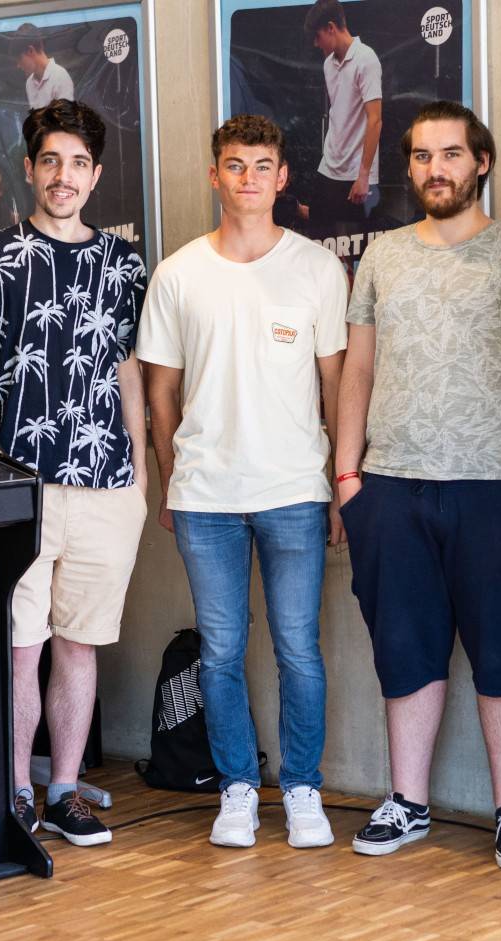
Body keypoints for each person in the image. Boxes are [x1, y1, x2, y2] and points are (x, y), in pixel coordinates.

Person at [334, 101, 501, 868]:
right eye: (423, 156)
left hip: (497, 487)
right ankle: (408, 802)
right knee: (404, 647)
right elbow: (356, 368)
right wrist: (348, 476)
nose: (437, 169)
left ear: (481, 162)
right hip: (391, 487)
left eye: (452, 154)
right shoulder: (382, 256)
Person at [138, 114, 347, 851]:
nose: (249, 179)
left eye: (263, 166)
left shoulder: (318, 269)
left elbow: (336, 385)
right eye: (235, 165)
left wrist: (337, 480)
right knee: (221, 650)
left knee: (298, 647)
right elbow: (160, 391)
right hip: (204, 496)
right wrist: (171, 478)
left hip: (294, 490)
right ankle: (236, 788)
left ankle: (302, 788)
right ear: (214, 174)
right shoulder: (178, 272)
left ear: (283, 177)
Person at [0, 99, 147, 847]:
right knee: (20, 648)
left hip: (107, 482)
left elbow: (130, 369)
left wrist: (140, 475)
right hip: (20, 484)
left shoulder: (126, 263)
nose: (63, 176)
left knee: (79, 644)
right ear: (31, 169)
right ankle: (14, 790)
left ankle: (65, 789)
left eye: (77, 164)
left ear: (96, 176)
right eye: (50, 161)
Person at [305, 0, 382, 234]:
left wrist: (363, 176)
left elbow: (375, 120)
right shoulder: (328, 64)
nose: (316, 44)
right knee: (320, 230)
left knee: (356, 241)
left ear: (331, 27)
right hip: (330, 164)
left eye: (317, 37)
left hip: (356, 171)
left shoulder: (366, 59)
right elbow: (340, 111)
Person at [16, 24, 75, 109]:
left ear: (31, 51)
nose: (18, 65)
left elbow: (66, 119)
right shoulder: (29, 84)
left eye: (20, 59)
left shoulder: (60, 77)